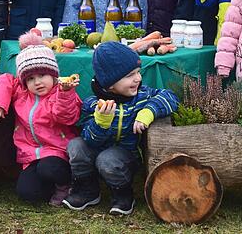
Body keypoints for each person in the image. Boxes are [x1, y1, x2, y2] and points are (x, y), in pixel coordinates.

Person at [62, 42, 179, 215]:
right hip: (96, 151)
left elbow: (170, 97)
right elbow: (89, 139)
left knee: (107, 158)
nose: (138, 78)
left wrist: (148, 111)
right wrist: (101, 122)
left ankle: (122, 193)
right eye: (130, 75)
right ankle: (87, 190)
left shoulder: (142, 96)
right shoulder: (93, 104)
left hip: (125, 156)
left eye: (138, 72)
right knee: (75, 146)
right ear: (110, 84)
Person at [0, 32, 82, 206]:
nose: (37, 82)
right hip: (30, 154)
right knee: (26, 192)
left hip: (58, 152)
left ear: (53, 75)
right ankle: (49, 187)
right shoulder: (23, 93)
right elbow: (3, 81)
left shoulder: (61, 92)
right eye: (30, 78)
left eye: (42, 76)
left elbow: (66, 117)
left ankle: (66, 184)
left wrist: (66, 94)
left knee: (48, 169)